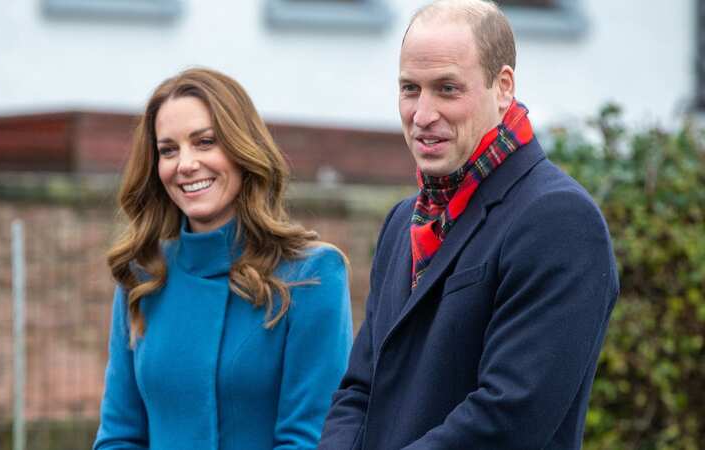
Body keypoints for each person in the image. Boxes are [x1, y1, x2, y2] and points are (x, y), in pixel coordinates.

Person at [318, 1, 619, 449]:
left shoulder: (560, 220)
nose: (422, 114)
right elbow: (360, 390)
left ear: (503, 87)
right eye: (409, 89)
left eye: (447, 89)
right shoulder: (405, 222)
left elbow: (508, 418)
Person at [93, 67, 353, 450]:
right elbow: (119, 436)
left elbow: (309, 438)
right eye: (168, 150)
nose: (184, 164)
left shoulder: (313, 275)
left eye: (205, 142)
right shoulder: (142, 277)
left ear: (241, 148)